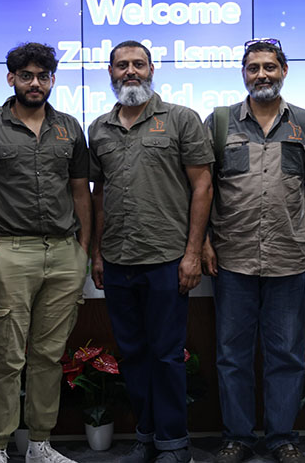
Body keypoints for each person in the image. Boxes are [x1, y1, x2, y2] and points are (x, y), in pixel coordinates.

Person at [202, 38, 305, 463]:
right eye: (254, 68)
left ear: (284, 71)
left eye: (270, 67)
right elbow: (201, 189)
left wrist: (290, 220)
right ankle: (237, 438)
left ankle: (282, 438)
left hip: (287, 258)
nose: (262, 74)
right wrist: (204, 241)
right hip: (232, 257)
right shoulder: (219, 122)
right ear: (243, 73)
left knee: (286, 355)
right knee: (232, 356)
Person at [0, 42, 90, 463]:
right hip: (9, 252)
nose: (35, 83)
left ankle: (40, 443)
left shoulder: (69, 127)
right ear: (11, 78)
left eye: (43, 76)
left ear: (52, 80)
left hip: (64, 253)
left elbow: (80, 191)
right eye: (26, 76)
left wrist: (83, 251)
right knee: (7, 358)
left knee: (49, 357)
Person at [89, 40, 214, 463]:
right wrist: (96, 254)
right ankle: (145, 436)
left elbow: (202, 186)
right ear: (110, 72)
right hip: (117, 259)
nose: (131, 71)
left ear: (151, 69)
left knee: (166, 354)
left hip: (167, 258)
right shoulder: (99, 129)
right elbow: (99, 194)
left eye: (138, 64)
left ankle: (174, 443)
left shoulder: (180, 119)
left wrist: (192, 253)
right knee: (133, 354)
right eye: (122, 65)